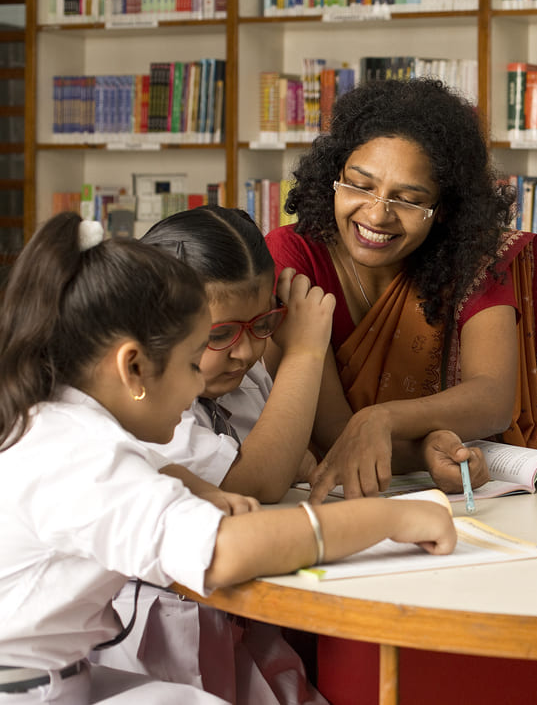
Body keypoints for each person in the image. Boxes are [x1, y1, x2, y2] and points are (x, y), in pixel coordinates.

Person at [0, 213, 456, 704]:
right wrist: (389, 517)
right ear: (133, 367)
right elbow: (225, 551)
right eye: (193, 363)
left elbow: (144, 474)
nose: (199, 387)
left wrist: (199, 490)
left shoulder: (57, 420)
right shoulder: (81, 456)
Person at [94, 205, 336, 705]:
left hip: (238, 621)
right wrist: (307, 351)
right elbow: (261, 479)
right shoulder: (150, 405)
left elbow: (288, 453)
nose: (246, 353)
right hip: (157, 641)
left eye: (263, 324)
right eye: (220, 334)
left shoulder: (239, 375)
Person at [266, 78, 537, 502]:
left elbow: (492, 396)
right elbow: (334, 434)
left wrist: (382, 418)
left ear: (443, 209)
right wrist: (424, 447)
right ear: (334, 176)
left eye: (409, 200)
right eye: (360, 186)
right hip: (318, 495)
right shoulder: (293, 255)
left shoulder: (474, 257)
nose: (377, 215)